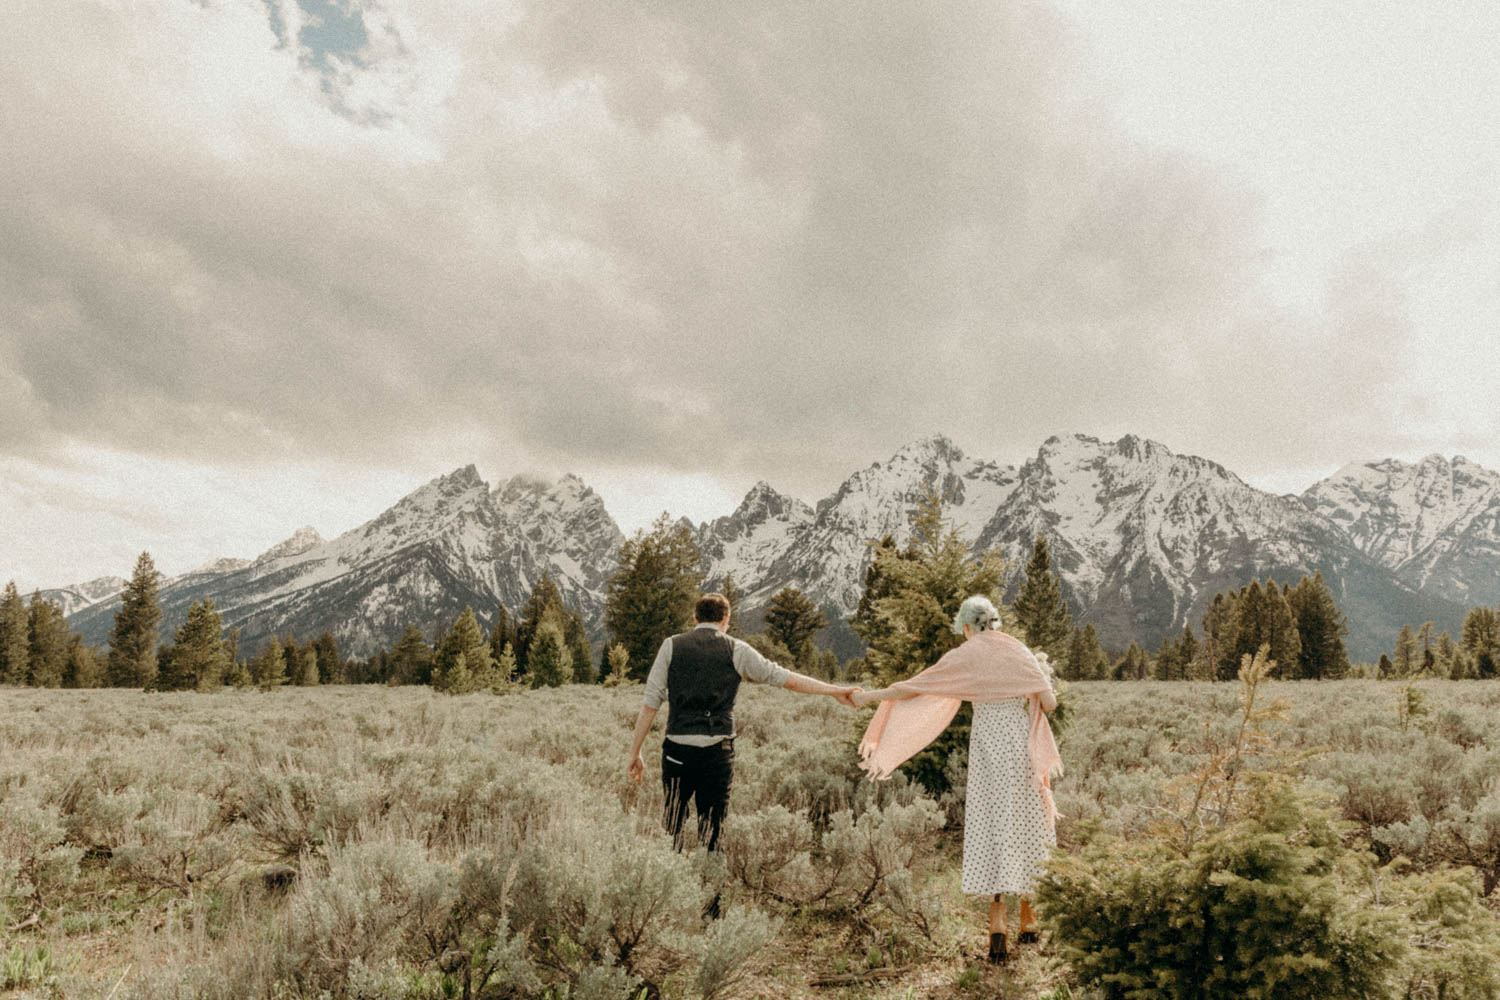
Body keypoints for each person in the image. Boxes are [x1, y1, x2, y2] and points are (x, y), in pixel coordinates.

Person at [853, 595, 1061, 965]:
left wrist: (869, 697)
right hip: (1021, 746)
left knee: (993, 825)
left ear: (966, 627)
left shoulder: (964, 654)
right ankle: (1029, 920)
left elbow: (911, 688)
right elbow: (1049, 703)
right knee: (1027, 822)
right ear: (995, 623)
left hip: (987, 749)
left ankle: (997, 928)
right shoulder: (1018, 651)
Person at [626, 593, 859, 859]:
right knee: (714, 831)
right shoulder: (737, 649)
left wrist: (636, 752)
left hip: (677, 751)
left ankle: (671, 889)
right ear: (726, 620)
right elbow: (786, 678)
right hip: (717, 753)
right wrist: (834, 691)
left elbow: (650, 704)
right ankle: (712, 896)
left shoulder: (671, 646)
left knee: (673, 825)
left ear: (694, 619)